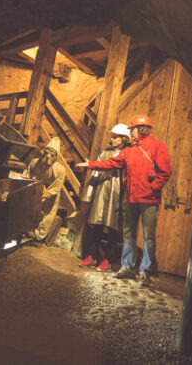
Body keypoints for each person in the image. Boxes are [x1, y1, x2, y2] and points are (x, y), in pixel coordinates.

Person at [76, 114, 171, 287]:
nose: (131, 132)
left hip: (149, 199)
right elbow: (109, 163)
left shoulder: (157, 146)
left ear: (141, 129)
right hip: (132, 198)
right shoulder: (129, 151)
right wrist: (90, 164)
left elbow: (165, 172)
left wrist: (152, 188)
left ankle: (145, 271)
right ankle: (127, 267)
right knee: (129, 234)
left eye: (132, 129)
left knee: (148, 236)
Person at [78, 123, 130, 272]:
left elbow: (128, 177)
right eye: (112, 137)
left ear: (123, 139)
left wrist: (125, 200)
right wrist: (89, 193)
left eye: (115, 137)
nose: (111, 139)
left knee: (113, 227)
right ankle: (92, 256)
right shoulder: (104, 153)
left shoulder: (127, 154)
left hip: (117, 193)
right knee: (96, 224)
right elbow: (95, 173)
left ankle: (108, 260)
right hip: (101, 191)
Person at [24, 137, 66, 241]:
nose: (48, 156)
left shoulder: (60, 170)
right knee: (30, 209)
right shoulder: (35, 162)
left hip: (50, 193)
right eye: (46, 153)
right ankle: (27, 228)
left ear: (56, 157)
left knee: (47, 215)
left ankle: (39, 234)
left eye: (52, 155)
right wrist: (27, 184)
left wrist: (44, 195)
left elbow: (56, 187)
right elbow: (28, 174)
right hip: (37, 188)